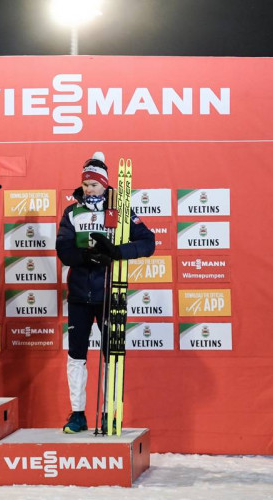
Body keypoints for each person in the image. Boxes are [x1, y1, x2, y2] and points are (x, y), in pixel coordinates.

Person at [55, 152, 155, 433]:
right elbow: (63, 250)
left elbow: (148, 243)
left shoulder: (121, 211)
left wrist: (115, 252)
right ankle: (77, 414)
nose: (89, 189)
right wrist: (88, 257)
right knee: (76, 355)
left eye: (94, 185)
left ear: (106, 185)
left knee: (111, 355)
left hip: (111, 293)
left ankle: (109, 411)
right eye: (85, 184)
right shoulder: (72, 212)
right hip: (79, 295)